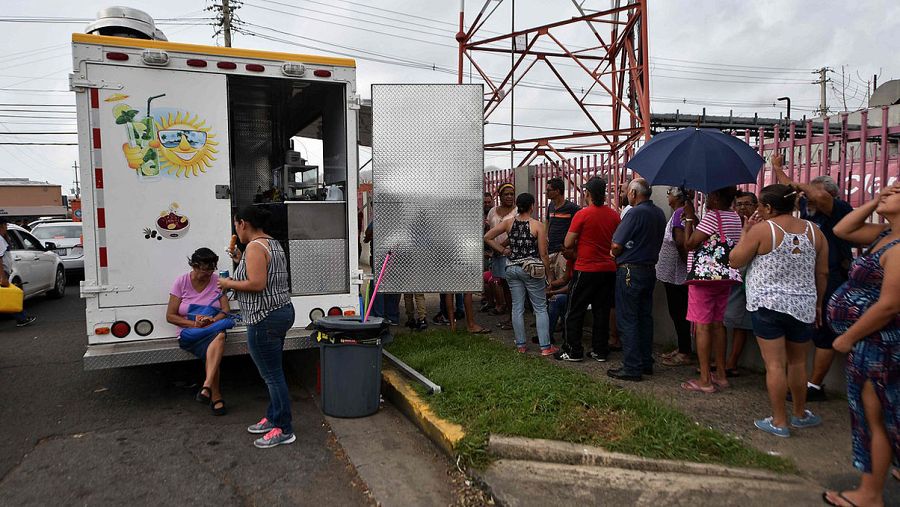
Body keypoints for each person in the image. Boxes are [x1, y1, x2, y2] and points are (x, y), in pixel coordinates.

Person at [823, 183, 900, 507]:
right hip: (870, 344)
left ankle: (869, 495)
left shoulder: (898, 249)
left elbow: (889, 305)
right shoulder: (884, 235)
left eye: (896, 191)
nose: (887, 191)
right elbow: (842, 228)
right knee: (884, 415)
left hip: (878, 346)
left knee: (874, 418)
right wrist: (875, 201)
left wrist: (848, 336)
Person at [729, 184, 827, 437]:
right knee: (797, 363)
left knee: (774, 365)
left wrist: (745, 232)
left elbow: (735, 259)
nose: (757, 209)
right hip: (803, 304)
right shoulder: (815, 231)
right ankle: (800, 413)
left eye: (760, 205)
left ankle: (779, 421)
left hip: (767, 304)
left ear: (769, 207)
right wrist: (818, 303)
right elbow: (822, 272)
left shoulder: (763, 230)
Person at [772, 153, 854, 401]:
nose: (806, 196)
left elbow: (818, 195)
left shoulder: (838, 210)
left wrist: (804, 186)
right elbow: (792, 191)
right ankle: (804, 382)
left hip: (832, 280)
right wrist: (777, 168)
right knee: (808, 330)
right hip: (810, 279)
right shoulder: (811, 213)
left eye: (812, 193)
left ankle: (815, 386)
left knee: (824, 332)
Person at [219, 206, 296, 449]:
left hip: (264, 318)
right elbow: (265, 273)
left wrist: (227, 282)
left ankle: (284, 429)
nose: (236, 230)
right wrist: (239, 262)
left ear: (243, 223)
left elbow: (257, 283)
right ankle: (274, 417)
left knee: (272, 376)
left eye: (236, 225)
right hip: (281, 312)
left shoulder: (254, 246)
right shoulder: (271, 243)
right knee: (274, 372)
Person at [681, 185, 743, 393]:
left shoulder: (712, 216)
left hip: (703, 278)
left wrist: (689, 219)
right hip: (724, 276)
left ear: (716, 197)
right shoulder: (734, 217)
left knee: (702, 326)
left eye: (709, 195)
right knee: (718, 324)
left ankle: (705, 379)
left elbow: (690, 244)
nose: (706, 198)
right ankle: (722, 375)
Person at [553, 177, 620, 362]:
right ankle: (600, 349)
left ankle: (572, 349)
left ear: (588, 193)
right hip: (608, 269)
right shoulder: (614, 215)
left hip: (586, 267)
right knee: (602, 310)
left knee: (575, 309)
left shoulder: (582, 214)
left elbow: (567, 242)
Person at [607, 178, 666, 381]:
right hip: (649, 269)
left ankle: (632, 366)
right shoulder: (658, 213)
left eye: (625, 191)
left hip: (630, 270)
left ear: (633, 193)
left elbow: (616, 244)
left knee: (628, 318)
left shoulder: (635, 213)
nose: (624, 195)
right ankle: (645, 361)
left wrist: (615, 253)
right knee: (644, 317)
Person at [485, 193, 555, 354]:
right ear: (532, 206)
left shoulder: (509, 223)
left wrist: (503, 250)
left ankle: (521, 345)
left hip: (511, 268)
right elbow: (543, 254)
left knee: (517, 307)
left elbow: (487, 237)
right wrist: (549, 275)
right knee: (539, 308)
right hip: (531, 269)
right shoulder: (538, 226)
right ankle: (545, 347)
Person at [166, 247, 232, 416]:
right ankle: (213, 392)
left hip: (211, 327)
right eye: (205, 269)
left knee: (219, 335)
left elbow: (225, 310)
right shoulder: (181, 282)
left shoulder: (218, 281)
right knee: (219, 336)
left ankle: (208, 389)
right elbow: (170, 316)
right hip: (190, 331)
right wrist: (193, 323)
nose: (208, 274)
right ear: (194, 266)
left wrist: (212, 321)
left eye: (212, 269)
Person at [723, 190, 759, 376]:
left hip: (751, 276)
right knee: (728, 318)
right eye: (739, 204)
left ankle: (732, 363)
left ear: (756, 206)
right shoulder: (733, 222)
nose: (743, 207)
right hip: (733, 272)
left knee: (742, 322)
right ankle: (724, 361)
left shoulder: (760, 225)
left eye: (747, 204)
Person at [657, 187, 694, 367]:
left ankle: (685, 351)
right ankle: (682, 348)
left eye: (669, 194)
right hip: (673, 271)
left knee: (678, 311)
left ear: (677, 198)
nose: (667, 197)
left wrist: (686, 265)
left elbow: (680, 242)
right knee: (677, 311)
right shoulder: (681, 212)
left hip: (676, 272)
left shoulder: (680, 212)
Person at [486, 183, 517, 328]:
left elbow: (516, 234)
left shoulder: (517, 211)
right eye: (506, 194)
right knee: (504, 285)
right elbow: (489, 230)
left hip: (510, 252)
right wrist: (494, 248)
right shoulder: (492, 211)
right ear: (500, 196)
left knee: (512, 287)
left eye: (512, 194)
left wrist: (501, 247)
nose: (509, 197)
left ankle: (514, 318)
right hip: (497, 254)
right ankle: (509, 316)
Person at [0, 219, 36, 327]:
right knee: (9, 295)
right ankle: (22, 317)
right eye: (5, 225)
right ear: (1, 225)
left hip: (4, 272)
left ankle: (22, 317)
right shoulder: (0, 239)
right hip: (2, 273)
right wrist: (2, 276)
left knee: (7, 295)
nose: (6, 227)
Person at [545, 177, 580, 281]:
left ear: (557, 191)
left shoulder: (572, 208)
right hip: (550, 250)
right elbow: (547, 221)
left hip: (563, 253)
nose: (546, 193)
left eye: (548, 190)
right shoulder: (551, 205)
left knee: (563, 279)